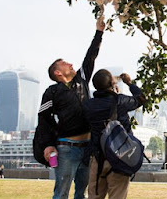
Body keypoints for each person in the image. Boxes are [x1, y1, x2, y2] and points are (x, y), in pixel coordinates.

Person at [36, 19, 105, 199]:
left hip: (87, 148)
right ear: (58, 72)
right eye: (65, 63)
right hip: (66, 149)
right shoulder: (52, 92)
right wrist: (47, 145)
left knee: (81, 193)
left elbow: (90, 57)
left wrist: (99, 33)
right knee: (61, 193)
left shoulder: (81, 80)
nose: (71, 64)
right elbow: (43, 120)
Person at [83, 69, 146, 199]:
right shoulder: (120, 101)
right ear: (112, 84)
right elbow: (141, 98)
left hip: (98, 157)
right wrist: (129, 83)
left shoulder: (88, 105)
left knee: (94, 196)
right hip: (120, 157)